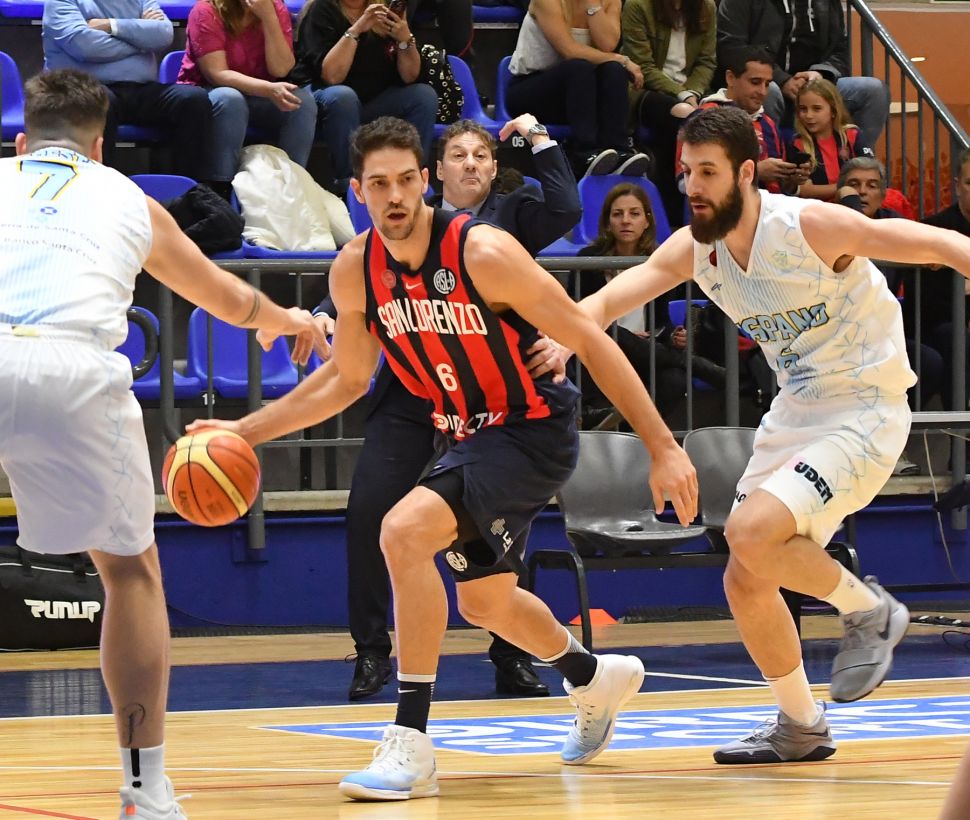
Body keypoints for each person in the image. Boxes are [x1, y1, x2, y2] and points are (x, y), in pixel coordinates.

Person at [189, 115, 698, 800]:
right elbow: (346, 379)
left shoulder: (483, 252)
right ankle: (592, 676)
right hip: (462, 434)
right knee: (486, 602)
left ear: (425, 181)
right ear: (357, 192)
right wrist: (245, 431)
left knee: (402, 532)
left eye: (406, 180)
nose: (395, 195)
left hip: (531, 428)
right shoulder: (356, 270)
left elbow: (591, 338)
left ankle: (411, 740)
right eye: (378, 184)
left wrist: (662, 446)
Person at [581, 105, 970, 764]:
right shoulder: (694, 248)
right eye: (686, 172)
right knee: (745, 578)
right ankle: (801, 724)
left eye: (708, 172)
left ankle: (868, 610)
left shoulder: (809, 225)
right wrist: (560, 334)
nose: (693, 186)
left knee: (750, 531)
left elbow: (935, 244)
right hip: (797, 410)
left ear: (746, 172)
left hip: (865, 407)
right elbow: (604, 303)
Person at [0, 69, 326, 819]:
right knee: (130, 574)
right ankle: (146, 791)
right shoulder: (127, 197)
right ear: (100, 147)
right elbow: (225, 296)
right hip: (74, 367)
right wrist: (290, 320)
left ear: (21, 143)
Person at [313, 114, 582, 700]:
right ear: (436, 171)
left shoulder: (505, 224)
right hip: (415, 398)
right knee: (375, 516)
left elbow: (567, 209)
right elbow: (361, 277)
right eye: (458, 154)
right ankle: (371, 652)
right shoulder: (394, 224)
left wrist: (540, 138)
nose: (470, 164)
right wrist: (322, 314)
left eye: (481, 155)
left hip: (491, 402)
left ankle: (512, 657)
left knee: (492, 543)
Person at [575, 181, 725, 419]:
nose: (626, 221)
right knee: (613, 332)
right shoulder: (587, 260)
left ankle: (627, 429)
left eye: (634, 214)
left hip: (646, 354)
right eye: (617, 214)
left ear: (646, 221)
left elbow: (661, 322)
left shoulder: (659, 260)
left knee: (675, 379)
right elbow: (580, 316)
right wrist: (629, 338)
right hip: (601, 351)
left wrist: (673, 337)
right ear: (607, 222)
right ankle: (691, 363)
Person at [835, 156, 944, 473]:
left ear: (884, 194)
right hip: (834, 335)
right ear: (841, 191)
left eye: (872, 186)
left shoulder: (891, 221)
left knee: (928, 362)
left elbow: (925, 242)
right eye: (854, 185)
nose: (863, 192)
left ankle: (890, 443)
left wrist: (931, 253)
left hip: (880, 333)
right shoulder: (824, 221)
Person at [42, 0, 213, 180]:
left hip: (141, 89)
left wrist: (111, 26)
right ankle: (98, 185)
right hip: (84, 89)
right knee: (97, 102)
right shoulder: (61, 2)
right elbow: (86, 46)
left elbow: (164, 34)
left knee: (192, 99)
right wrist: (142, 40)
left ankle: (188, 189)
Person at [291, 0, 437, 195]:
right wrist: (357, 29)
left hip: (372, 101)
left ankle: (411, 176)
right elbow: (332, 77)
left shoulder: (385, 10)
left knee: (423, 96)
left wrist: (405, 39)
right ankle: (350, 184)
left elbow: (410, 76)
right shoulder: (322, 9)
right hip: (327, 99)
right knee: (343, 97)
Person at [178, 0, 317, 199]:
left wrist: (269, 18)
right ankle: (222, 189)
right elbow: (217, 74)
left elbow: (280, 69)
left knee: (301, 102)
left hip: (260, 94)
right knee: (230, 99)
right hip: (209, 94)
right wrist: (267, 89)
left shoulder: (275, 8)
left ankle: (291, 185)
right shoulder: (206, 10)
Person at [506, 0, 652, 180]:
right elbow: (569, 50)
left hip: (579, 96)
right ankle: (583, 153)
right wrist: (623, 60)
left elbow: (607, 44)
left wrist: (591, 4)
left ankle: (619, 150)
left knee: (614, 70)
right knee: (580, 67)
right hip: (531, 90)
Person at [716, 0, 888, 150]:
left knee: (873, 91)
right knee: (768, 91)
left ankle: (859, 165)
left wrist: (820, 73)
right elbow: (731, 47)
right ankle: (769, 162)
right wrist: (782, 80)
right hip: (769, 81)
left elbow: (840, 49)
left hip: (814, 83)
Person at [621, 0, 717, 222]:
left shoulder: (707, 7)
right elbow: (643, 66)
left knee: (721, 116)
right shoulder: (638, 6)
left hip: (692, 91)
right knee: (685, 115)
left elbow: (706, 62)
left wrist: (692, 91)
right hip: (645, 89)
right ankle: (679, 199)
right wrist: (683, 94)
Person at [680, 46, 809, 196]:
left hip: (769, 207)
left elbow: (780, 189)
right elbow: (685, 184)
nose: (763, 92)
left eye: (767, 84)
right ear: (730, 78)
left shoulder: (769, 124)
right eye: (755, 82)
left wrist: (791, 180)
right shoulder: (703, 119)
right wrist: (756, 172)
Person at [790, 78, 871, 201]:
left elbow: (870, 176)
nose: (808, 115)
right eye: (803, 109)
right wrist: (848, 188)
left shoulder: (852, 135)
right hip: (819, 208)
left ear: (833, 111)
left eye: (817, 109)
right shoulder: (798, 143)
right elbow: (805, 191)